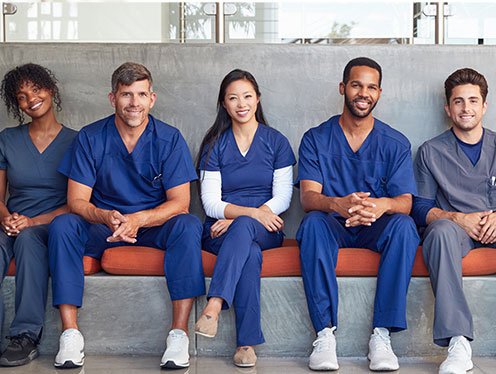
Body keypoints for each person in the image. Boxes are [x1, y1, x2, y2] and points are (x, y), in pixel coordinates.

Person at [48, 62, 205, 369]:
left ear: (152, 98)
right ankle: (70, 334)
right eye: (126, 94)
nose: (134, 102)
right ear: (112, 98)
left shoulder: (169, 138)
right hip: (103, 225)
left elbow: (180, 203)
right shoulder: (91, 137)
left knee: (187, 225)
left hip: (151, 226)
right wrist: (104, 214)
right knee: (64, 224)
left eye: (141, 94)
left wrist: (139, 219)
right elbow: (76, 200)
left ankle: (179, 334)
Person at [296, 57, 419, 371]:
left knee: (404, 226)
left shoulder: (395, 142)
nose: (363, 93)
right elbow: (309, 197)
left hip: (374, 227)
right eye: (356, 85)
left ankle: (381, 336)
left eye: (371, 87)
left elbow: (405, 201)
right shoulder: (316, 138)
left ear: (379, 93)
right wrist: (337, 203)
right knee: (311, 224)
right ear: (343, 88)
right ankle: (324, 335)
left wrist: (382, 205)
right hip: (332, 224)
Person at [194, 69, 295, 367]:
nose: (242, 103)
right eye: (233, 97)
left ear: (258, 99)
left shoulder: (276, 142)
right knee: (248, 253)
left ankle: (214, 304)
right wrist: (247, 214)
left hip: (267, 227)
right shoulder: (214, 145)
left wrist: (243, 217)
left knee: (247, 232)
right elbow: (210, 203)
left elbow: (283, 198)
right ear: (224, 104)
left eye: (248, 96)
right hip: (221, 230)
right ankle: (246, 344)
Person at [413, 68, 492, 374]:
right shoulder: (430, 152)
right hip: (456, 232)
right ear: (448, 108)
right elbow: (420, 207)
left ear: (484, 106)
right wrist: (458, 218)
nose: (466, 108)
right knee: (439, 232)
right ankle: (459, 342)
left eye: (473, 100)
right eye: (458, 102)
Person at [0, 63, 77, 366]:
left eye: (36, 89)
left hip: (51, 224)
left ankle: (25, 336)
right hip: (11, 223)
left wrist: (32, 222)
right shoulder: (7, 138)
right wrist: (6, 217)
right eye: (21, 96)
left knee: (29, 240)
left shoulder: (76, 141)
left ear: (51, 90)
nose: (30, 98)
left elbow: (77, 203)